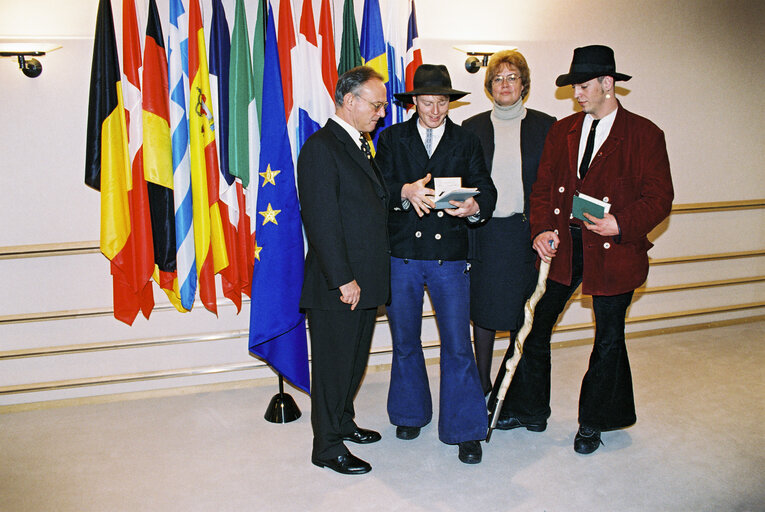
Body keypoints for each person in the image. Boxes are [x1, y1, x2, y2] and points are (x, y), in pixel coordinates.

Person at [497, 45, 673, 454]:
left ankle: (594, 421)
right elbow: (541, 189)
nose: (577, 94)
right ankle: (529, 409)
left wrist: (622, 222)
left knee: (608, 337)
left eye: (584, 86)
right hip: (564, 245)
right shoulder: (563, 131)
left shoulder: (644, 134)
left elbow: (660, 197)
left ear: (608, 85)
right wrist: (541, 229)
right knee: (535, 324)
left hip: (613, 248)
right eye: (576, 86)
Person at [375, 64, 497, 464]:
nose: (434, 110)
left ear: (450, 101)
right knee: (406, 341)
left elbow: (487, 186)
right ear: (414, 102)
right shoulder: (392, 138)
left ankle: (465, 427)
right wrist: (404, 191)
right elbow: (376, 187)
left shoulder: (466, 139)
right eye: (427, 102)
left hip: (449, 257)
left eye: (442, 102)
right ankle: (410, 412)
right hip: (402, 255)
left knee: (458, 345)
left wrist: (476, 205)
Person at [297, 66, 391, 475]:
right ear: (349, 101)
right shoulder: (322, 147)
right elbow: (321, 221)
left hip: (363, 279)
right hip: (339, 285)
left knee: (354, 362)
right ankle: (326, 445)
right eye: (376, 104)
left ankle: (344, 422)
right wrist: (343, 278)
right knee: (334, 368)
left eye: (383, 105)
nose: (381, 112)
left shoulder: (358, 144)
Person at [462, 50, 556, 397]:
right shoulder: (471, 128)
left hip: (526, 234)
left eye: (512, 77)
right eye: (498, 78)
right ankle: (480, 381)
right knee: (484, 309)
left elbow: (554, 183)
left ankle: (515, 388)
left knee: (525, 312)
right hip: (484, 233)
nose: (505, 84)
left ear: (524, 84)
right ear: (489, 86)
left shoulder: (547, 127)